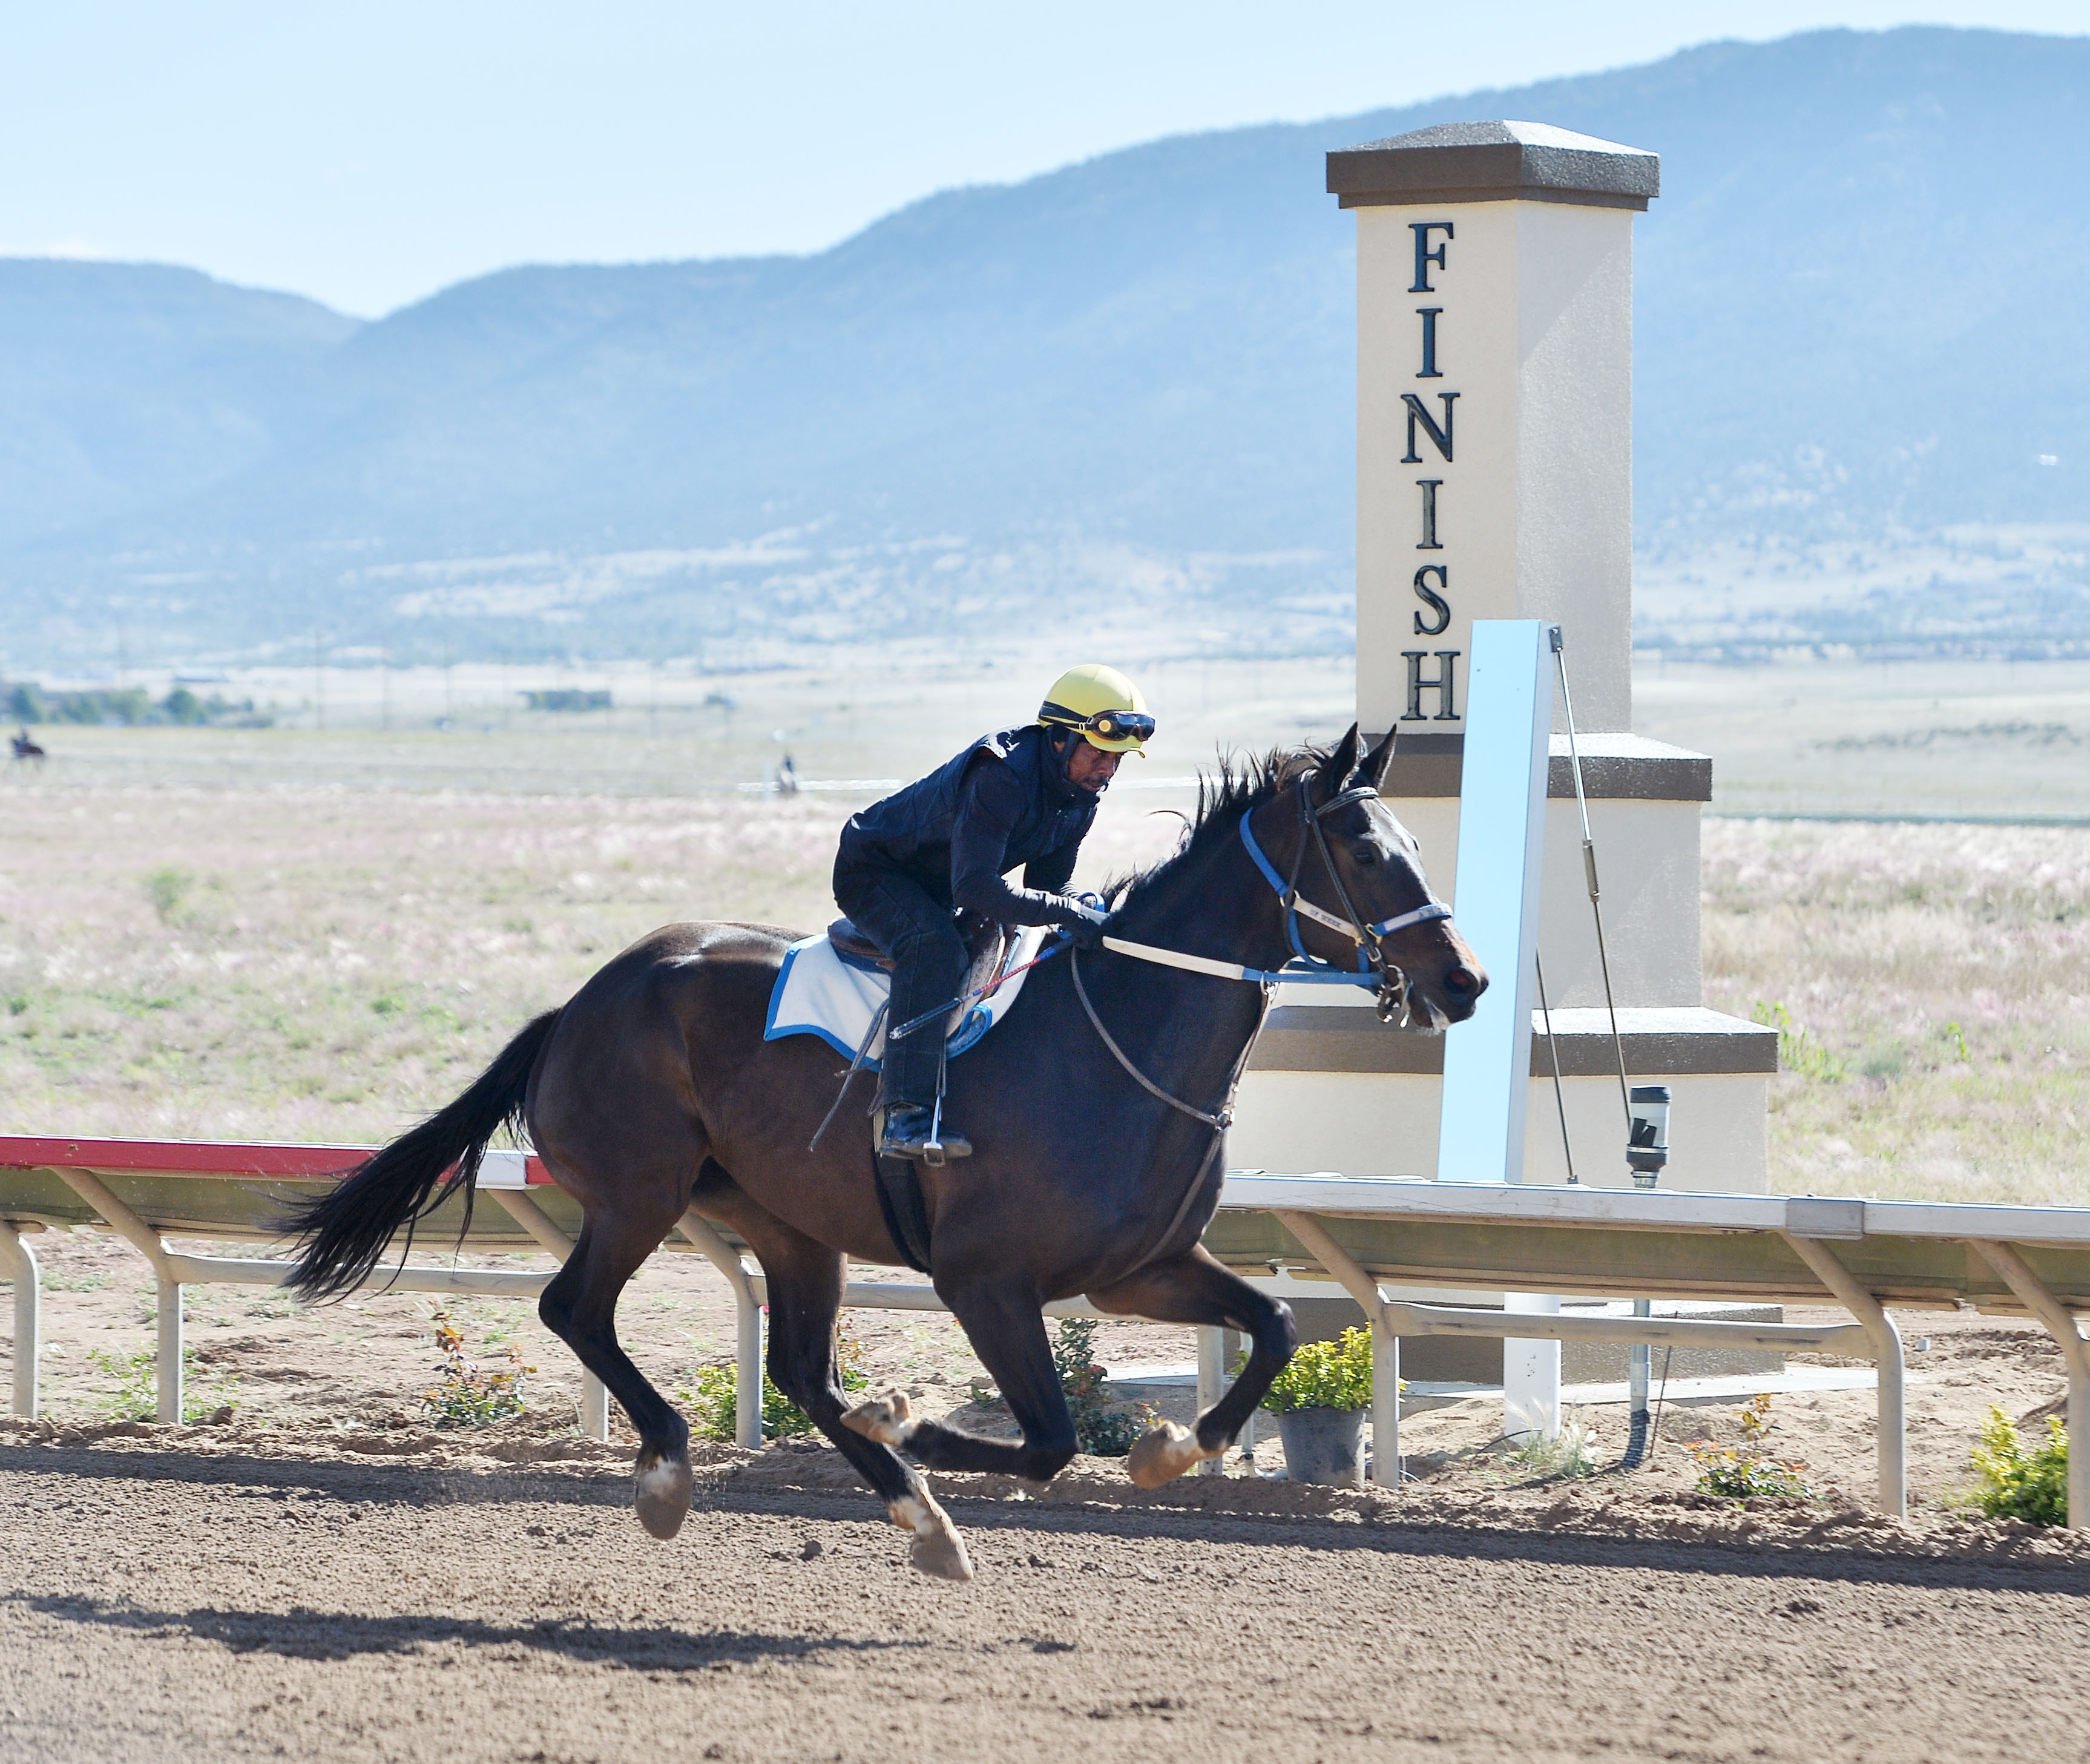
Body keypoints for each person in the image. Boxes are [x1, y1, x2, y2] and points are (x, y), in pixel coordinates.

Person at [832, 663, 1153, 1159]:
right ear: (1059, 740)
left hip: (941, 886)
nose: (1107, 770)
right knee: (934, 949)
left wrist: (1082, 907)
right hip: (875, 872)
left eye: (1116, 759)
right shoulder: (1000, 776)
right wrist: (1067, 912)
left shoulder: (1080, 793)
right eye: (1098, 754)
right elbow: (978, 887)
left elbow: (1049, 887)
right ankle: (904, 1115)